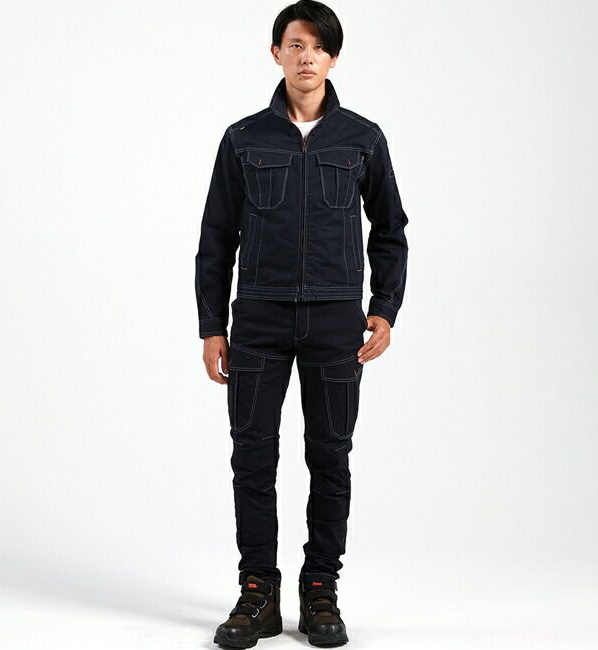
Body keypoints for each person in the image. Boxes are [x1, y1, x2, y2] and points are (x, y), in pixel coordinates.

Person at [195, 1, 409, 646]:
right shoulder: (243, 139)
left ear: (332, 58)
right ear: (276, 53)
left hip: (336, 322)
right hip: (258, 320)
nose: (306, 56)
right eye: (295, 44)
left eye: (318, 47)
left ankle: (320, 590)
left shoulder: (363, 139)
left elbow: (391, 230)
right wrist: (212, 326)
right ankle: (257, 592)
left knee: (331, 456)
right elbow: (215, 239)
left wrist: (384, 308)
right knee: (252, 458)